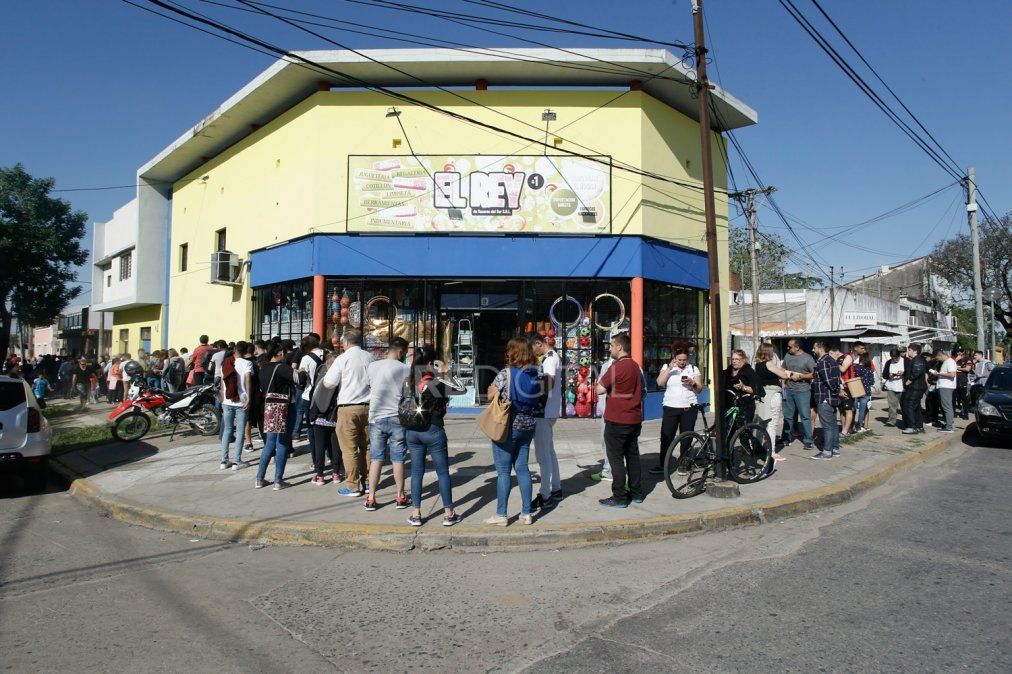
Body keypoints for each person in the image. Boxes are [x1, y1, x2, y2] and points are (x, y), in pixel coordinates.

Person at [403, 345, 465, 527]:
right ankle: (448, 513)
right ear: (430, 364)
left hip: (412, 431)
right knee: (443, 472)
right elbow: (461, 389)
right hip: (433, 430)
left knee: (416, 472)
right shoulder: (437, 384)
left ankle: (416, 513)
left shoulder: (409, 383)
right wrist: (446, 371)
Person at [484, 337, 540, 526]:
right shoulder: (534, 373)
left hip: (509, 424)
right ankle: (526, 513)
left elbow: (490, 394)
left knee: (503, 471)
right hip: (529, 424)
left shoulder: (505, 373)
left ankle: (501, 515)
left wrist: (494, 390)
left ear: (513, 353)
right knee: (523, 468)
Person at [321, 329, 374, 496]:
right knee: (366, 447)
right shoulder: (370, 357)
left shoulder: (342, 359)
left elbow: (328, 384)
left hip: (348, 407)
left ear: (346, 343)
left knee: (349, 448)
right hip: (369, 406)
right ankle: (367, 483)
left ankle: (352, 485)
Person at [596, 332, 645, 508]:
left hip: (617, 419)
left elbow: (599, 390)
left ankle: (619, 497)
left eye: (611, 345)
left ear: (620, 347)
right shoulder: (635, 366)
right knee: (633, 457)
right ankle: (637, 493)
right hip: (634, 419)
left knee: (616, 459)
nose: (610, 348)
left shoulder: (617, 367)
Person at [363, 337, 411, 509]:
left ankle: (371, 498)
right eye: (404, 352)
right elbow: (408, 393)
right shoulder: (405, 368)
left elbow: (369, 387)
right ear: (400, 351)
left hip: (376, 417)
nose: (404, 355)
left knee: (376, 458)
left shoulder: (373, 366)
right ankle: (400, 496)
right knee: (398, 458)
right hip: (397, 417)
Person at [255, 343, 305, 489]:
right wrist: (301, 371)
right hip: (283, 407)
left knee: (269, 444)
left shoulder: (263, 369)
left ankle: (259, 478)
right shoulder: (282, 368)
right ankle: (278, 480)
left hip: (269, 407)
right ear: (281, 353)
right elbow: (299, 379)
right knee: (282, 443)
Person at [652, 348, 702, 476]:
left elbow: (699, 389)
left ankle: (683, 464)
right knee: (666, 436)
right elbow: (660, 383)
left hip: (689, 407)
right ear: (674, 358)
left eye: (684, 360)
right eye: (679, 360)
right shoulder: (667, 368)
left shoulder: (693, 368)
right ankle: (663, 464)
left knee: (686, 437)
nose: (682, 362)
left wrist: (692, 383)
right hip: (671, 406)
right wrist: (669, 368)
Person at [530, 333, 561, 510]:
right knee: (549, 452)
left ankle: (545, 494)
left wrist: (530, 385)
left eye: (532, 348)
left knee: (543, 456)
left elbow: (548, 382)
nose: (532, 351)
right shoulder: (551, 357)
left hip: (544, 411)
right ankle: (556, 488)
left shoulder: (549, 359)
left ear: (538, 344)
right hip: (549, 410)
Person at [308, 352, 344, 486]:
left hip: (320, 418)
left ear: (327, 365)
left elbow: (315, 398)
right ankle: (336, 474)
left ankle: (320, 475)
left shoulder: (322, 378)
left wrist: (312, 415)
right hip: (336, 417)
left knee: (320, 447)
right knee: (336, 447)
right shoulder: (342, 380)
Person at [754, 344, 793, 461]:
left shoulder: (758, 365)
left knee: (762, 422)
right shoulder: (769, 364)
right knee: (772, 423)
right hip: (772, 395)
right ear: (769, 352)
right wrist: (786, 372)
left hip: (762, 395)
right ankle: (772, 452)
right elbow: (784, 375)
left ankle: (757, 447)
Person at [219, 342, 253, 471]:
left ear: (234, 349)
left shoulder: (226, 362)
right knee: (239, 432)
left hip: (227, 401)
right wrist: (249, 398)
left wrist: (223, 397)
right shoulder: (246, 363)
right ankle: (237, 461)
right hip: (241, 401)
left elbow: (222, 381)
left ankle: (224, 460)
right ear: (245, 352)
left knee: (227, 429)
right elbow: (248, 379)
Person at [781, 339, 815, 451]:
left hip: (803, 391)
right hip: (788, 390)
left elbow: (814, 374)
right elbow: (783, 369)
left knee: (805, 416)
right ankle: (786, 438)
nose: (788, 348)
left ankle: (808, 441)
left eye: (790, 347)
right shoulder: (787, 356)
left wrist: (800, 377)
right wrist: (783, 385)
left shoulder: (808, 358)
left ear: (797, 347)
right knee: (788, 416)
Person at [811, 340, 842, 460]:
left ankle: (827, 451)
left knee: (828, 426)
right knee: (833, 424)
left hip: (824, 398)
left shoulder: (823, 362)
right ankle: (835, 448)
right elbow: (836, 380)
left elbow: (829, 381)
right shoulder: (831, 360)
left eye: (814, 347)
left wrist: (834, 390)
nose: (813, 350)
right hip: (831, 397)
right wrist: (836, 391)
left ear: (820, 348)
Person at [296, 334, 324, 455]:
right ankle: (329, 456)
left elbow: (302, 379)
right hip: (327, 395)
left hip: (310, 396)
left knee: (312, 429)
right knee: (328, 427)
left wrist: (299, 372)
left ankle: (316, 458)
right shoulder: (327, 354)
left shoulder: (306, 358)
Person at [724, 349, 760, 422]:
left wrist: (743, 387)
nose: (734, 361)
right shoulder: (729, 370)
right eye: (733, 359)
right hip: (729, 404)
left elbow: (756, 389)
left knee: (742, 429)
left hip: (745, 405)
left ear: (743, 360)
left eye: (737, 359)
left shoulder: (749, 371)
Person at [901, 344, 928, 434]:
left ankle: (911, 426)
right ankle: (919, 426)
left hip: (915, 387)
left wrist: (909, 380)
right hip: (917, 387)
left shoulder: (917, 360)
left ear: (915, 351)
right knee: (916, 407)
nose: (908, 352)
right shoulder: (918, 359)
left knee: (909, 405)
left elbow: (917, 371)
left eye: (909, 350)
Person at [930, 349, 957, 433]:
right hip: (943, 386)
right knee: (944, 405)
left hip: (947, 386)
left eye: (938, 358)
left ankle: (949, 426)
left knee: (947, 406)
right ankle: (947, 423)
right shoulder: (946, 362)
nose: (938, 360)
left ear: (940, 355)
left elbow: (952, 374)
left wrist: (938, 374)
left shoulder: (950, 362)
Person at [852, 353, 876, 433]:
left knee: (853, 408)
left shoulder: (855, 368)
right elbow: (872, 381)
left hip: (855, 390)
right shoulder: (868, 369)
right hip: (866, 391)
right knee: (862, 410)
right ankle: (859, 425)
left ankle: (851, 424)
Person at [882, 348, 905, 427]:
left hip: (902, 387)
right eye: (893, 358)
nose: (895, 359)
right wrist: (890, 375)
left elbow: (910, 372)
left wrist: (903, 373)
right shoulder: (888, 362)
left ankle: (906, 421)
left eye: (896, 358)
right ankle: (892, 421)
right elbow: (884, 374)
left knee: (904, 405)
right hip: (891, 386)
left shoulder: (905, 361)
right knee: (892, 405)